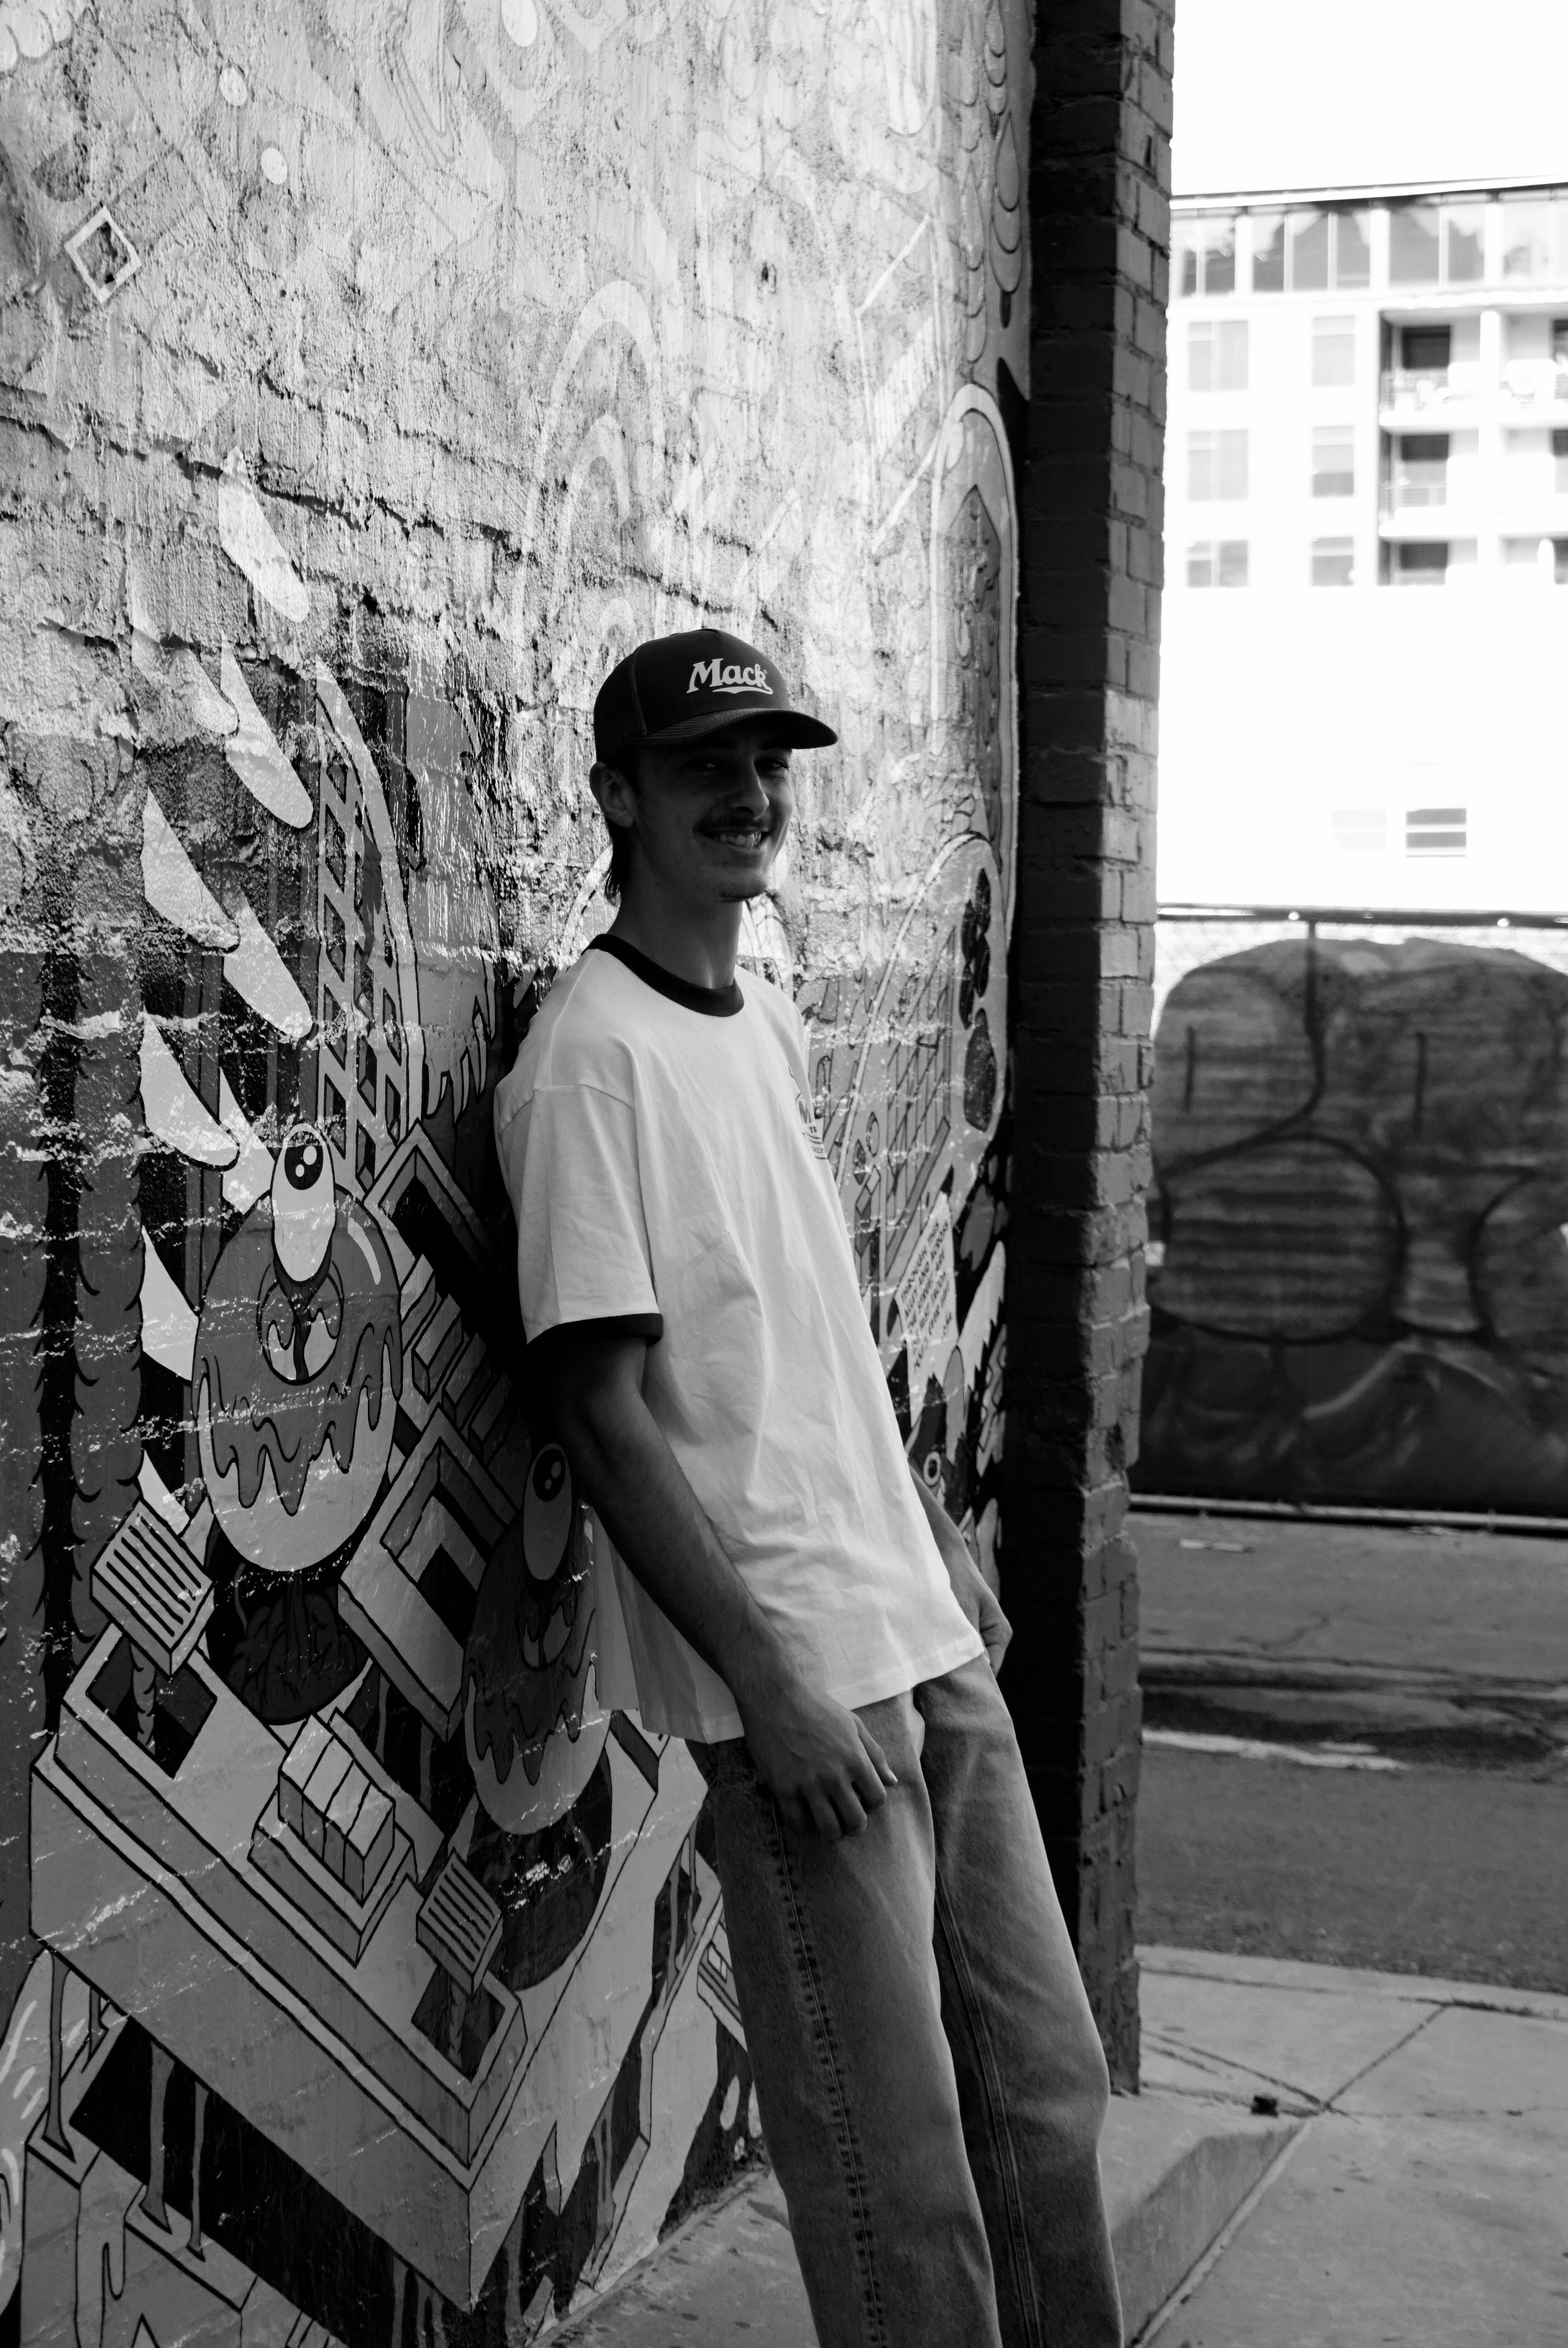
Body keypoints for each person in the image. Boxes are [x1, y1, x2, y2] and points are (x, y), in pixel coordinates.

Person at [493, 626, 1123, 2348]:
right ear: (618, 797)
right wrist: (769, 1685)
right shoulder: (588, 1062)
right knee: (895, 2175)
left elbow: (807, 1329)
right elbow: (606, 1415)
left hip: (913, 1630)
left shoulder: (756, 1022)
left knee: (1045, 2100)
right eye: (704, 770)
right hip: (802, 1692)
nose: (748, 796)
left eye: (766, 767)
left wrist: (927, 1529)